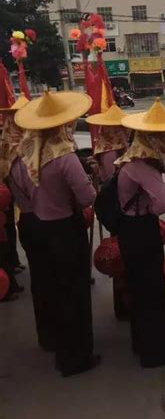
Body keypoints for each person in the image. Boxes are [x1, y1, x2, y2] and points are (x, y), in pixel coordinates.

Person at [15, 91, 99, 376]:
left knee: (56, 292)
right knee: (75, 295)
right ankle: (77, 357)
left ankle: (62, 350)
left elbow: (24, 195)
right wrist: (91, 178)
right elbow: (87, 197)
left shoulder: (28, 156)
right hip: (66, 229)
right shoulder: (65, 157)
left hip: (41, 228)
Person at [117, 99, 165, 367]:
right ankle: (154, 352)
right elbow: (163, 203)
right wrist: (153, 202)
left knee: (141, 290)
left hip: (135, 227)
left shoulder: (141, 160)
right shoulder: (141, 166)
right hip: (139, 231)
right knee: (149, 292)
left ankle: (142, 343)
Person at [86, 103, 130, 318]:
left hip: (110, 205)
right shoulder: (115, 150)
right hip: (120, 207)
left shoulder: (102, 147)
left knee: (117, 254)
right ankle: (125, 304)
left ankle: (121, 304)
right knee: (122, 256)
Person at [0, 95, 29, 301]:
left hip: (10, 195)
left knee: (8, 231)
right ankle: (7, 281)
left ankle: (11, 267)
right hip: (7, 195)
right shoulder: (12, 139)